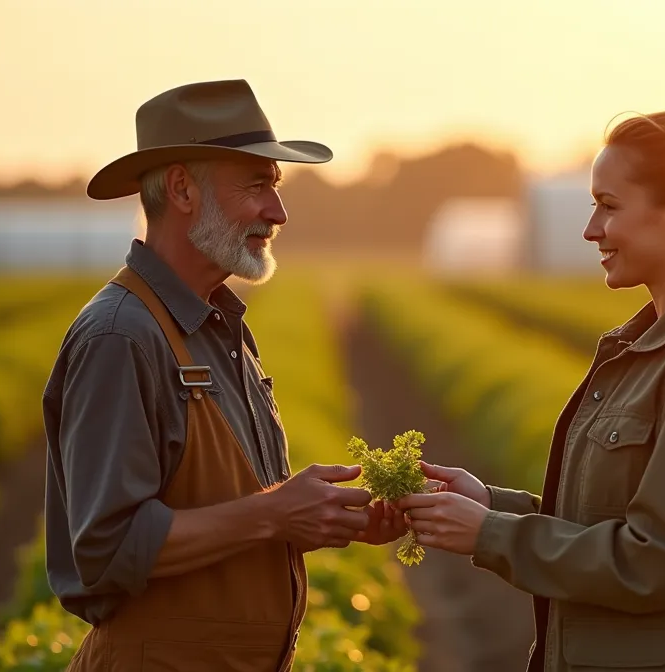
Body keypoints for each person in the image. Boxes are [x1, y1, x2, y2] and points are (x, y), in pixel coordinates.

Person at [397, 108, 665, 671]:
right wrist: (491, 505)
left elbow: (656, 563)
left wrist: (493, 535)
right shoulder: (651, 347)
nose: (591, 229)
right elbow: (604, 526)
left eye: (609, 206)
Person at [43, 79, 408, 672]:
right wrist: (273, 513)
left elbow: (226, 513)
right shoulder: (120, 336)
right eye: (257, 185)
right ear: (183, 189)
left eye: (277, 186)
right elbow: (107, 549)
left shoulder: (219, 325)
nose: (278, 211)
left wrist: (322, 518)